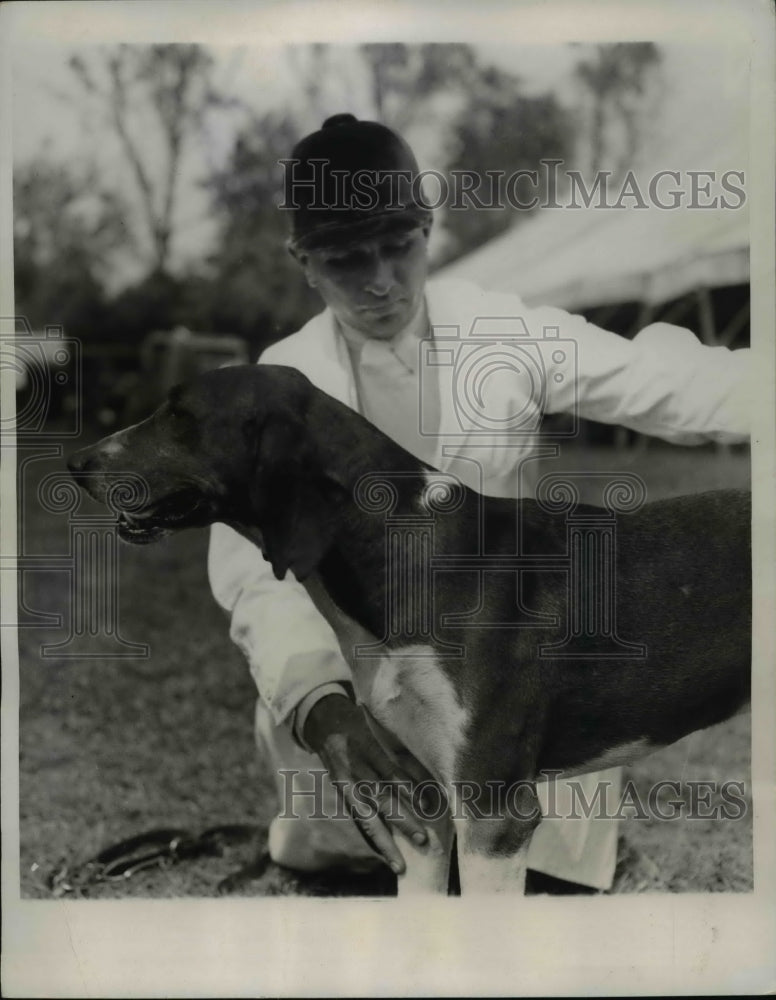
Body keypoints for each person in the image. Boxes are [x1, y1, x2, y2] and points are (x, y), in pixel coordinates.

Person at [208, 114, 751, 892]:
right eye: (346, 259)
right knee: (362, 865)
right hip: (362, 693)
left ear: (429, 227)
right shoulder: (283, 378)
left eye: (400, 246)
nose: (382, 281)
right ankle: (350, 830)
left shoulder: (502, 328)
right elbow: (258, 574)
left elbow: (671, 385)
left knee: (536, 873)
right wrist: (319, 707)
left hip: (516, 678)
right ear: (304, 263)